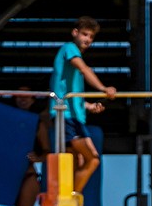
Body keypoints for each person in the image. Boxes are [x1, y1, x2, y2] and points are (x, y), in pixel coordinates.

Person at [49, 16, 116, 196]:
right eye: (85, 34)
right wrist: (103, 89)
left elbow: (70, 94)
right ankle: (71, 200)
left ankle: (72, 202)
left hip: (75, 116)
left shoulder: (72, 63)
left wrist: (89, 106)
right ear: (75, 33)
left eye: (91, 37)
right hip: (67, 117)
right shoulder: (69, 49)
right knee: (92, 159)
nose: (87, 39)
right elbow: (84, 69)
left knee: (79, 161)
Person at [8, 87, 51, 206]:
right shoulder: (4, 121)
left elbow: (47, 151)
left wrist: (37, 158)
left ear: (33, 100)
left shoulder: (37, 123)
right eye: (19, 96)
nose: (23, 99)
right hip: (4, 175)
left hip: (27, 175)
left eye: (27, 96)